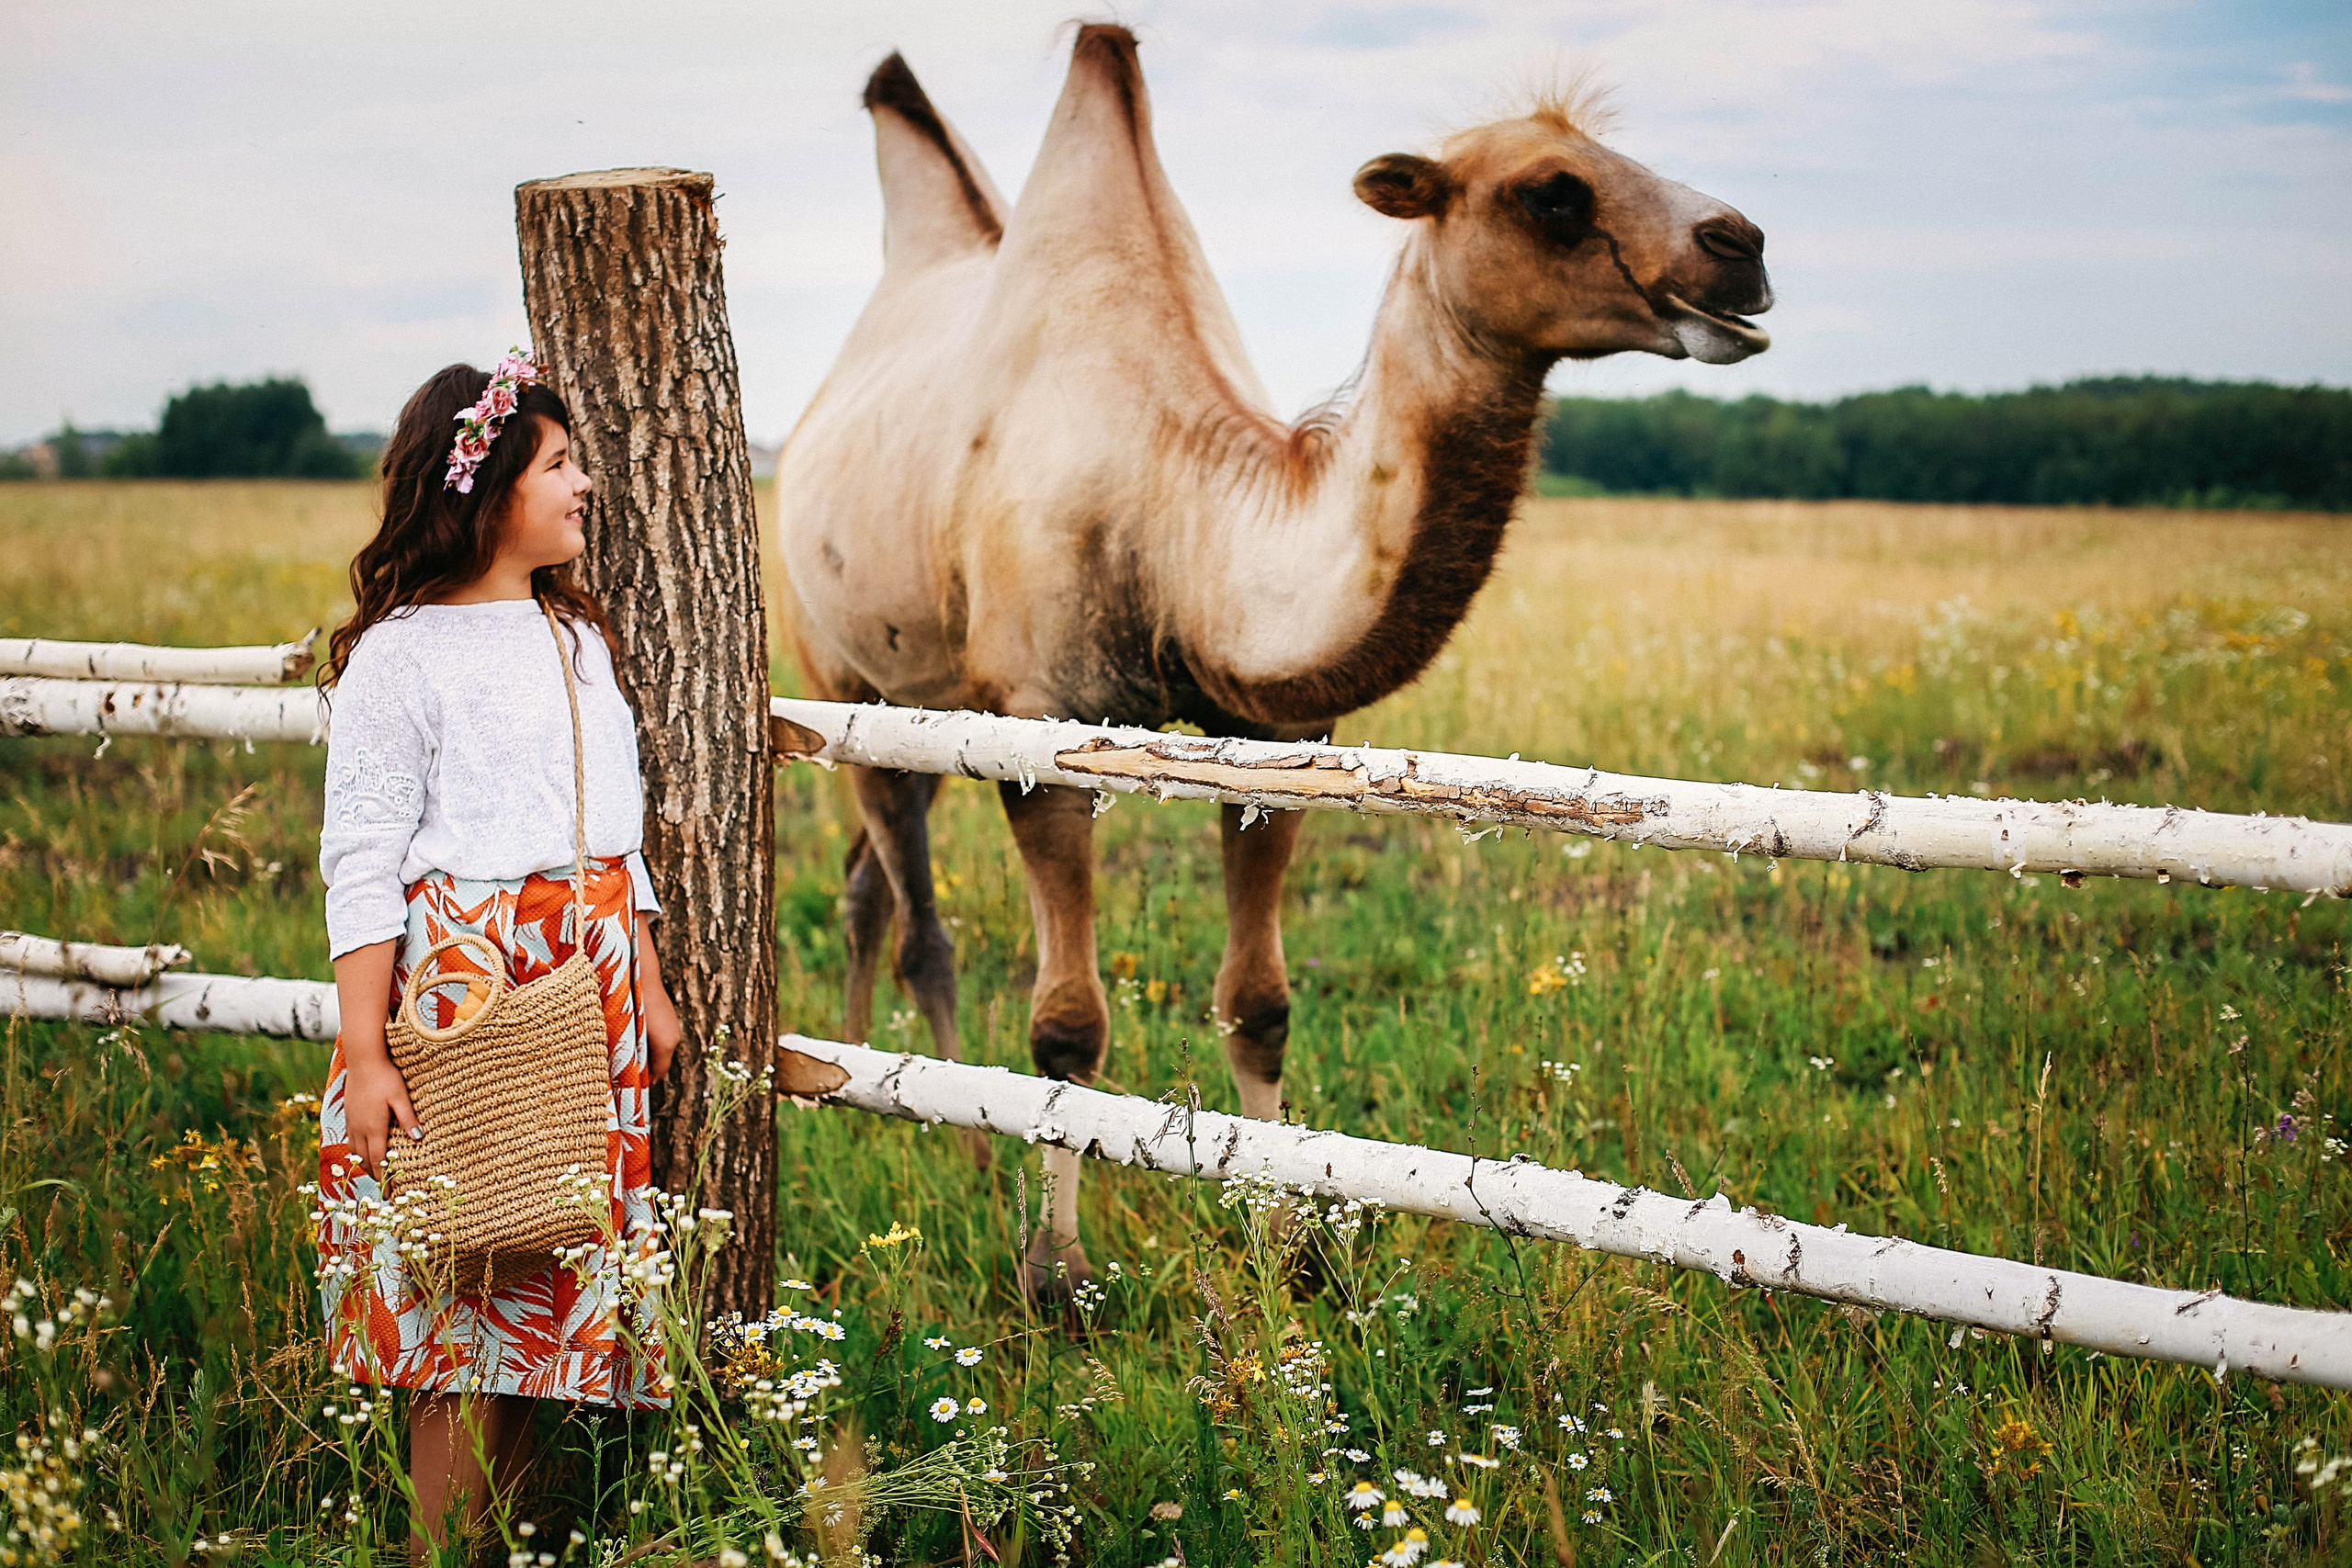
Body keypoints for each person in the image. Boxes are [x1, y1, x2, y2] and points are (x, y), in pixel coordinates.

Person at [312, 352, 683, 1556]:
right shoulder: (401, 656)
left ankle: (504, 1537)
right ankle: (439, 1550)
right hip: (471, 986)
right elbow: (363, 857)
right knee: (467, 1290)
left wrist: (654, 984)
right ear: (485, 492)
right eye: (561, 465)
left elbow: (616, 828)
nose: (585, 486)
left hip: (591, 975)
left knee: (555, 1290)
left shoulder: (575, 639)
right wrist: (366, 1052)